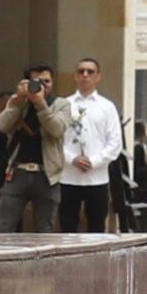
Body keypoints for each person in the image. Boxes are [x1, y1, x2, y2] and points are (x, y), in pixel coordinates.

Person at [51, 58, 125, 234]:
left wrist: (93, 161)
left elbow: (115, 142)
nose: (85, 75)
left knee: (97, 228)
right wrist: (72, 159)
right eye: (81, 71)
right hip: (68, 176)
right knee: (67, 225)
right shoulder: (63, 105)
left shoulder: (107, 107)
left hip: (97, 177)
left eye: (90, 71)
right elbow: (54, 139)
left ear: (98, 76)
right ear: (75, 76)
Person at [0, 65, 56, 231]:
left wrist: (40, 104)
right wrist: (17, 102)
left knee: (44, 229)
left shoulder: (60, 104)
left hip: (47, 174)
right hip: (17, 172)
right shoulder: (19, 102)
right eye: (37, 82)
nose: (42, 86)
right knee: (4, 226)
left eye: (47, 82)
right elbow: (2, 126)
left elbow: (57, 129)